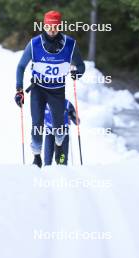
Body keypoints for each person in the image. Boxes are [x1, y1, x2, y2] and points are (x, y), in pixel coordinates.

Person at [15, 10, 85, 168]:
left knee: (59, 128)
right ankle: (37, 156)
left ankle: (59, 145)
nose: (52, 30)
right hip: (38, 90)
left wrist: (77, 73)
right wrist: (19, 89)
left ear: (59, 26)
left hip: (57, 90)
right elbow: (20, 67)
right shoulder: (34, 44)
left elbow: (81, 66)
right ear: (44, 25)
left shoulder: (70, 44)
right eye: (48, 26)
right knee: (37, 125)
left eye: (55, 26)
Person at [44, 99, 79, 165]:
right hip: (50, 132)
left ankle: (63, 171)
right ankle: (47, 173)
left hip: (63, 132)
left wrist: (73, 116)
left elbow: (76, 121)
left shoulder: (66, 103)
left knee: (62, 160)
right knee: (47, 160)